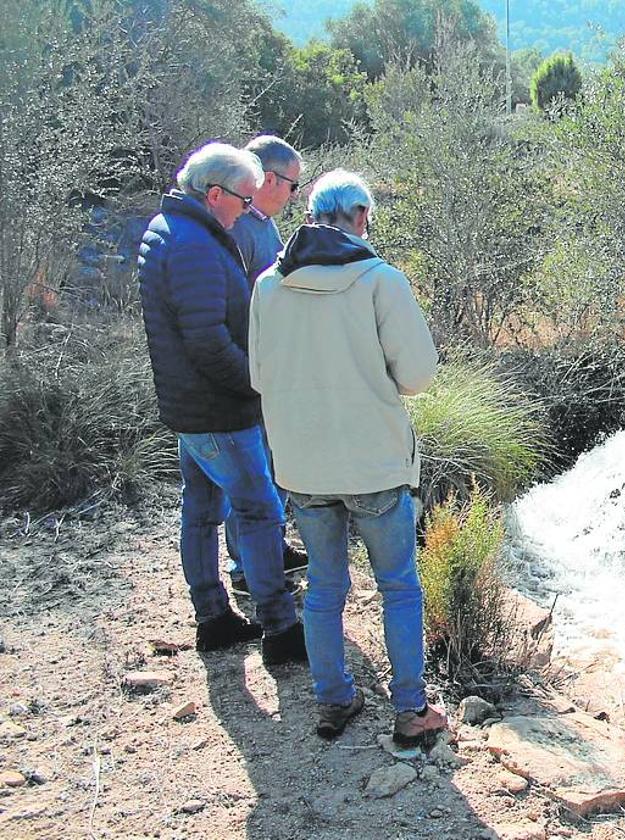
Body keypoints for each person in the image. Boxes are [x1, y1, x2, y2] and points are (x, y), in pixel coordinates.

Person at [249, 169, 445, 741]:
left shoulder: (267, 286)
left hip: (304, 465)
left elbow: (260, 377)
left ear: (310, 216)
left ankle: (332, 700)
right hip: (374, 461)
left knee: (325, 587)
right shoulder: (382, 281)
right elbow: (418, 376)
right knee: (399, 587)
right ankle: (410, 711)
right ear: (360, 217)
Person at [137, 142, 306, 665]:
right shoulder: (194, 246)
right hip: (217, 410)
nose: (247, 210)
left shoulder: (174, 229)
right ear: (215, 194)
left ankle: (213, 618)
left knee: (202, 509)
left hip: (190, 406)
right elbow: (207, 340)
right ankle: (279, 629)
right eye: (243, 199)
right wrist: (258, 383)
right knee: (257, 510)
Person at [223, 135, 308, 596]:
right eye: (293, 185)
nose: (294, 195)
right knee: (250, 469)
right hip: (250, 367)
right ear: (269, 179)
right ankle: (244, 567)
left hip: (271, 364)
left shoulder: (261, 223)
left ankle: (273, 545)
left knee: (271, 461)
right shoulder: (237, 228)